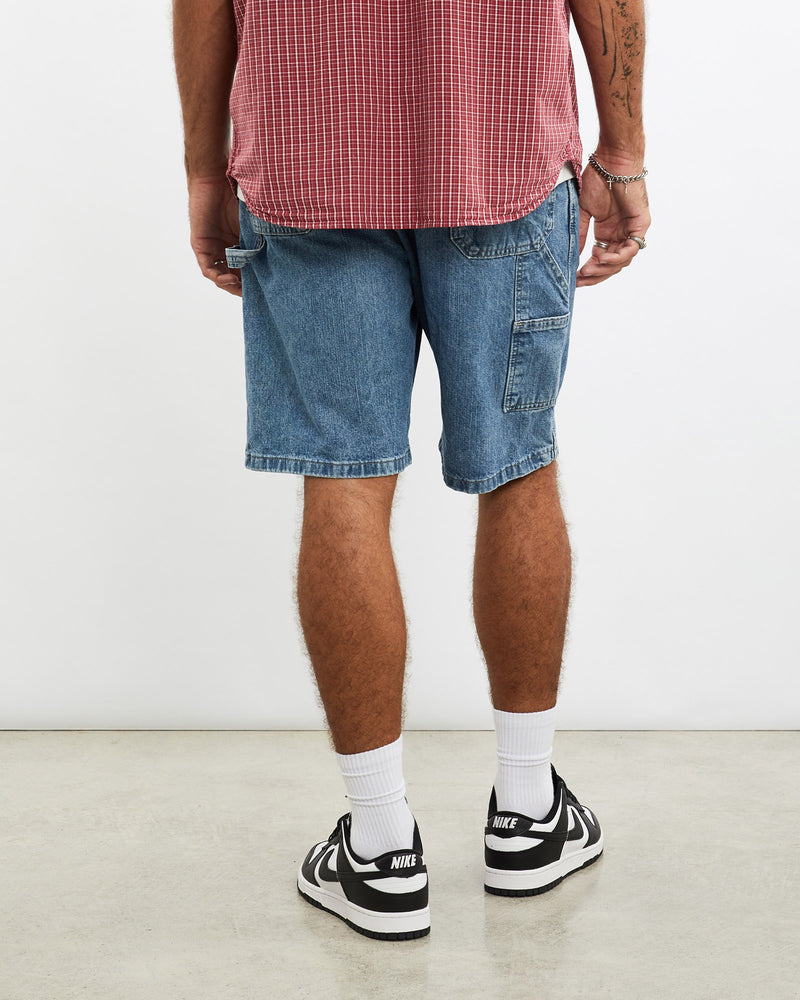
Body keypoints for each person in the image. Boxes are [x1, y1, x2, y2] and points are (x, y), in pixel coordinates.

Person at [173, 0, 650, 941]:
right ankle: (529, 814)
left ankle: (381, 845)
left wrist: (201, 165)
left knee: (343, 484)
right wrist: (624, 144)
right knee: (517, 470)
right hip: (499, 155)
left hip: (310, 164)